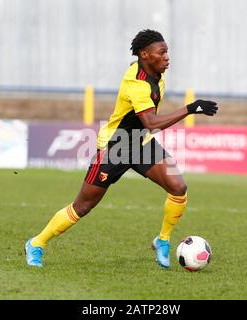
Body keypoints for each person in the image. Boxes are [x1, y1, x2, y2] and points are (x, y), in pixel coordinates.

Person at [25, 29, 218, 269]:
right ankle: (36, 243)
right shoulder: (137, 84)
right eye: (162, 52)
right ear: (145, 55)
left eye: (167, 51)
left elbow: (146, 125)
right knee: (82, 206)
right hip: (116, 147)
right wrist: (191, 108)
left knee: (178, 187)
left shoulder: (154, 70)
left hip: (140, 142)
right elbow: (152, 123)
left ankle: (163, 240)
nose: (168, 56)